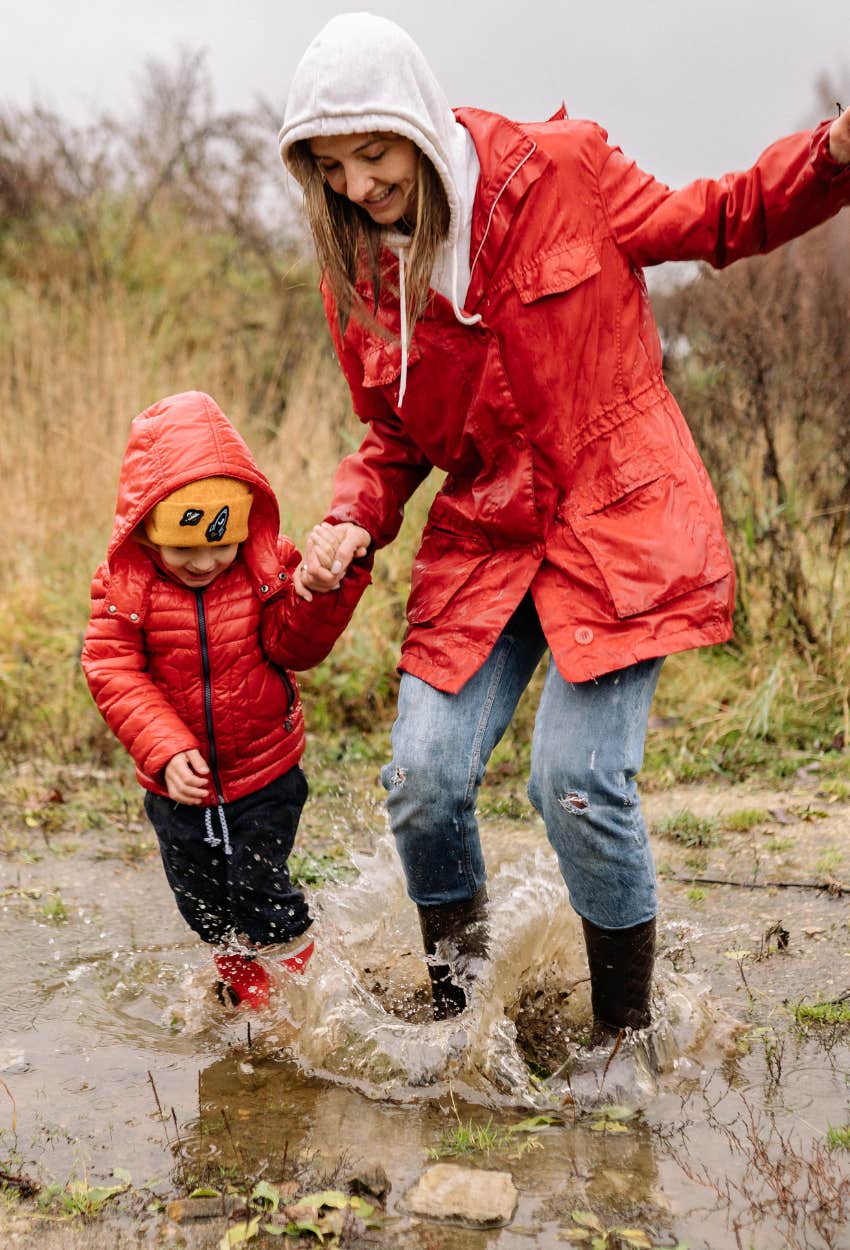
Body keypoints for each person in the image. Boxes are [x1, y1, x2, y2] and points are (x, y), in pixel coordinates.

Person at [279, 13, 850, 1037]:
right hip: (487, 533)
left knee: (577, 780)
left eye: (373, 153)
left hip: (615, 517)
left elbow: (717, 218)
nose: (358, 186)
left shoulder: (561, 171)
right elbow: (391, 438)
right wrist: (346, 521)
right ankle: (462, 1018)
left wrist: (829, 154)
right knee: (420, 780)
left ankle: (620, 1039)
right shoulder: (361, 273)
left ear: (414, 118)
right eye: (330, 167)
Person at [81, 390, 369, 1010]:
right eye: (184, 547)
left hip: (264, 771)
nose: (206, 562)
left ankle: (305, 999)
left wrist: (317, 594)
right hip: (177, 785)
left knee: (261, 890)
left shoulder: (266, 566)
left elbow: (294, 647)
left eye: (221, 543)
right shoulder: (125, 586)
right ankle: (247, 990)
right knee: (203, 905)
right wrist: (165, 748)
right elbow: (111, 666)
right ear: (147, 528)